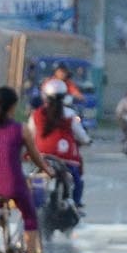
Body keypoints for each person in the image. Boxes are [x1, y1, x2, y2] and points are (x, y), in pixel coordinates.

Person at [0, 85, 52, 253]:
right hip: (13, 184)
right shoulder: (21, 129)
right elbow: (35, 157)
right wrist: (48, 170)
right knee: (29, 215)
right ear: (13, 106)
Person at [27, 78, 88, 209]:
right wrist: (87, 141)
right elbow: (81, 135)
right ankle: (75, 204)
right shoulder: (70, 114)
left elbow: (29, 135)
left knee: (33, 176)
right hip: (65, 158)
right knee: (76, 179)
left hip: (41, 157)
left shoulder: (36, 115)